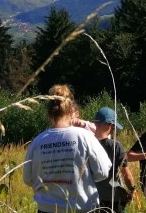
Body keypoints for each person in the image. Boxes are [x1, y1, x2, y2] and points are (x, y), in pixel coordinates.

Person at [23, 84, 112, 212]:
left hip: (46, 209)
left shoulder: (37, 141)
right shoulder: (84, 136)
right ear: (71, 111)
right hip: (81, 208)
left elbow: (28, 179)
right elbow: (103, 171)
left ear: (49, 112)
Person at [93, 107, 136, 212]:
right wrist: (132, 189)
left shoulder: (88, 144)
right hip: (113, 198)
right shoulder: (116, 146)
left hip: (92, 198)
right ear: (111, 125)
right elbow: (126, 173)